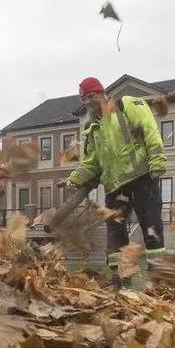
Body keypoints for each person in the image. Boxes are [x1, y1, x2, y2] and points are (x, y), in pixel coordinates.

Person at [65, 76, 168, 288]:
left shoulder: (127, 105)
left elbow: (149, 128)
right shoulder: (92, 128)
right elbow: (92, 162)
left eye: (91, 96)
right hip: (114, 188)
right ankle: (120, 280)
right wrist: (75, 178)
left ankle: (157, 281)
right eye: (84, 99)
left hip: (142, 179)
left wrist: (157, 160)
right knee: (115, 235)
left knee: (152, 229)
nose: (88, 101)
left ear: (102, 93)